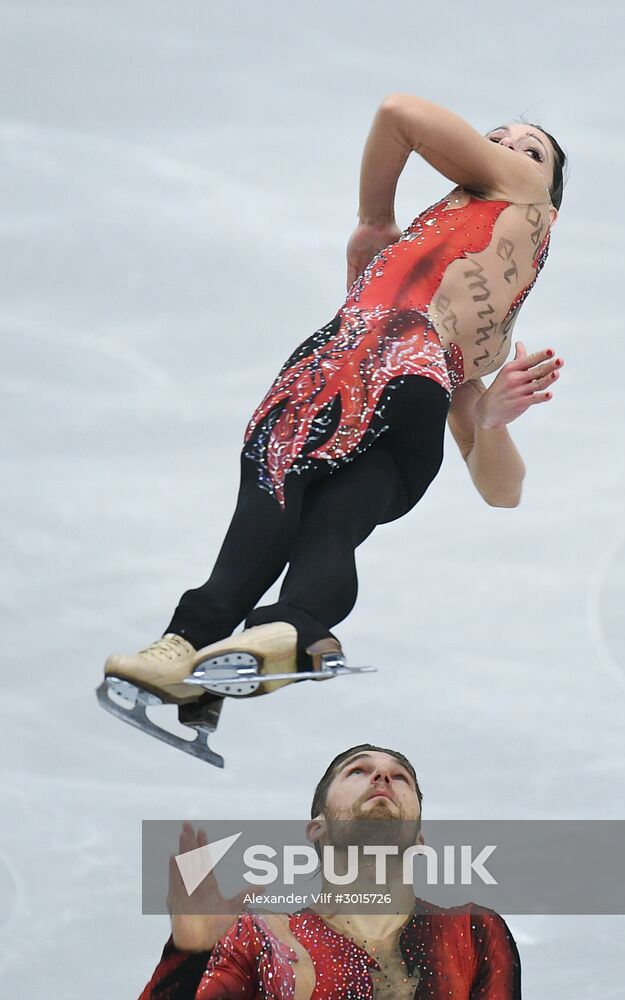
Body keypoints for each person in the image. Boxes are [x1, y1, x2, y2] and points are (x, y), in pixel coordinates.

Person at [99, 94, 567, 762]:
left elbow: (398, 113)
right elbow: (502, 492)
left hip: (362, 360)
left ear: (548, 191)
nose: (508, 151)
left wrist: (373, 221)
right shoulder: (488, 334)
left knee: (275, 481)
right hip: (414, 406)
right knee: (331, 525)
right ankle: (290, 628)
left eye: (530, 150)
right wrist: (486, 419)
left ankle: (185, 642)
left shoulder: (515, 191)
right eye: (497, 138)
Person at [139, 744, 522, 998]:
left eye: (399, 776)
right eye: (358, 771)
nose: (382, 778)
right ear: (316, 828)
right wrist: (189, 955)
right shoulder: (263, 936)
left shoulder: (472, 931)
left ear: (418, 839)